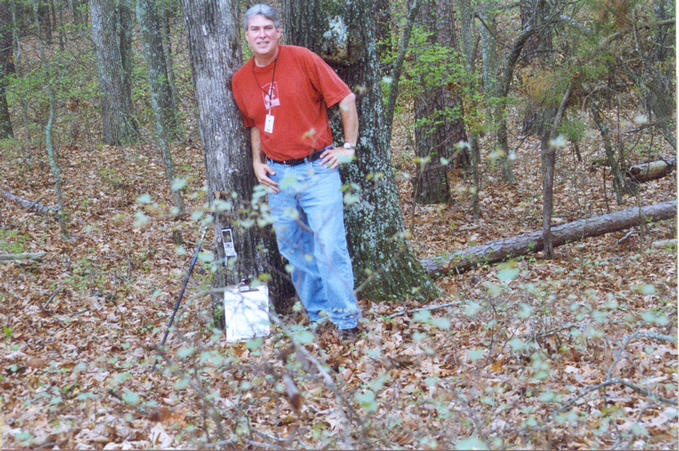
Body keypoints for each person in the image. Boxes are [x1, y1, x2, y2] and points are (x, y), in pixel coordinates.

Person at [231, 4, 361, 339]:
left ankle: (346, 321)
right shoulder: (241, 79)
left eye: (267, 28)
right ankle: (318, 316)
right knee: (294, 251)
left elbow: (346, 99)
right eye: (255, 30)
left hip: (318, 168)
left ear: (278, 31)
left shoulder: (303, 59)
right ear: (246, 36)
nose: (261, 35)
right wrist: (257, 162)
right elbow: (256, 124)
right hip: (278, 177)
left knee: (330, 247)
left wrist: (348, 147)